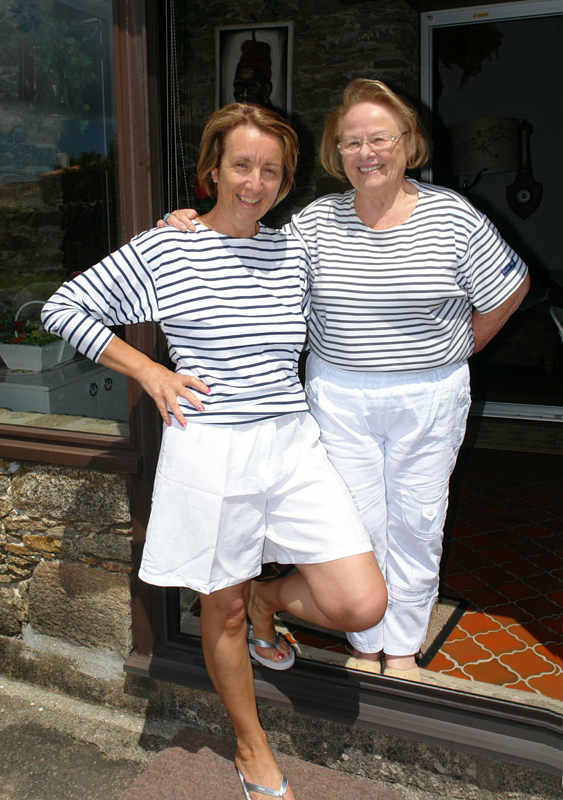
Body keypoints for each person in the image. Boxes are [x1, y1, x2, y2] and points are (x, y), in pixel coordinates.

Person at [42, 102, 387, 800]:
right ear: (212, 170)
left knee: (360, 603)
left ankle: (266, 599)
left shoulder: (292, 251)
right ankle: (249, 743)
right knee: (218, 609)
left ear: (285, 180)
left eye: (271, 171)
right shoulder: (168, 247)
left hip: (291, 444)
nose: (254, 183)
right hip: (209, 448)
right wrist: (150, 370)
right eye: (241, 165)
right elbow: (62, 308)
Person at [159, 79, 530, 682]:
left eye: (380, 138)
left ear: (408, 142)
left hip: (429, 395)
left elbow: (510, 286)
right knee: (358, 525)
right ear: (337, 152)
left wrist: (463, 345)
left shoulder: (452, 216)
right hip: (339, 395)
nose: (366, 153)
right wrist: (194, 225)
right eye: (351, 141)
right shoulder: (317, 222)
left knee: (417, 523)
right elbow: (252, 248)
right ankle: (366, 638)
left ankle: (402, 646)